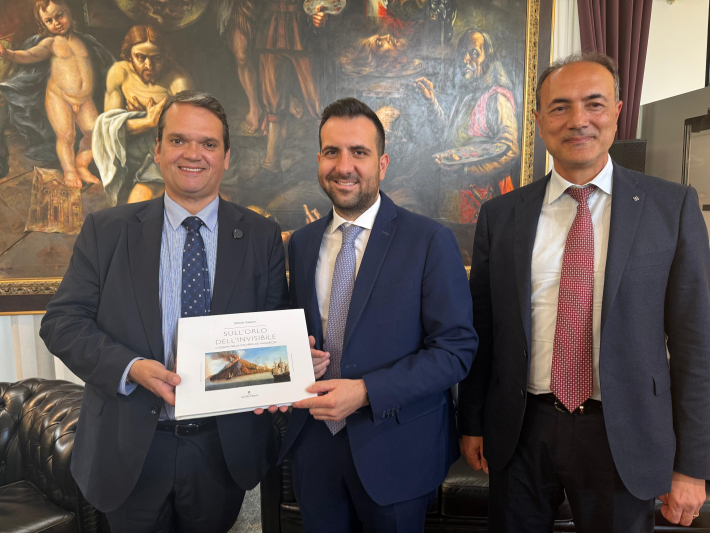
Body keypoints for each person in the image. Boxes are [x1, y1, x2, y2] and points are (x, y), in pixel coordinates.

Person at [458, 52, 710, 532]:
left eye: (594, 103)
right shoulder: (501, 215)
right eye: (560, 107)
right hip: (521, 429)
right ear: (538, 121)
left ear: (617, 111)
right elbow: (483, 331)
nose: (578, 120)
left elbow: (696, 346)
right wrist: (471, 421)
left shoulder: (671, 208)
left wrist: (693, 464)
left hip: (624, 433)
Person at [40, 90, 289, 533]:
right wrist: (131, 367)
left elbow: (272, 329)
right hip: (129, 448)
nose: (193, 154)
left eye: (208, 143)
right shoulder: (107, 230)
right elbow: (62, 322)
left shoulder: (260, 235)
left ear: (226, 156)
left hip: (220, 450)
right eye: (178, 140)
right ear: (157, 150)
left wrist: (290, 361)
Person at [280, 97, 477, 531]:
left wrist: (366, 391)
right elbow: (299, 333)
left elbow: (455, 351)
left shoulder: (429, 240)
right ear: (319, 160)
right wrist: (296, 357)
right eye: (331, 152)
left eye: (359, 152)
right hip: (315, 450)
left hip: (397, 449)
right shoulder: (302, 243)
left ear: (382, 164)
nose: (344, 166)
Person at [0, 0, 113, 187]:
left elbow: (100, 65)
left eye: (59, 16)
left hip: (85, 100)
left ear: (68, 12)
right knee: (66, 136)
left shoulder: (83, 41)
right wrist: (9, 54)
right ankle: (69, 171)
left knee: (96, 134)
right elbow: (30, 55)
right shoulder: (51, 43)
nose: (56, 23)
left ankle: (81, 164)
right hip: (59, 98)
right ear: (43, 24)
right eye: (49, 20)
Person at [415, 29, 519, 223]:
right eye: (462, 53)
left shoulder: (497, 98)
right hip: (454, 196)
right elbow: (447, 137)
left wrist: (466, 170)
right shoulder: (464, 96)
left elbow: (510, 150)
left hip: (484, 200)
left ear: (487, 59)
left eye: (474, 53)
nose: (465, 60)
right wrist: (431, 102)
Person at [94, 25, 192, 206]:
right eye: (140, 57)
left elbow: (186, 134)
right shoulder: (120, 73)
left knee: (146, 196)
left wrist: (152, 123)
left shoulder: (177, 81)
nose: (148, 65)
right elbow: (110, 128)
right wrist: (147, 121)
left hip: (161, 152)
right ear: (129, 56)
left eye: (156, 58)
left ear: (166, 56)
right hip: (129, 154)